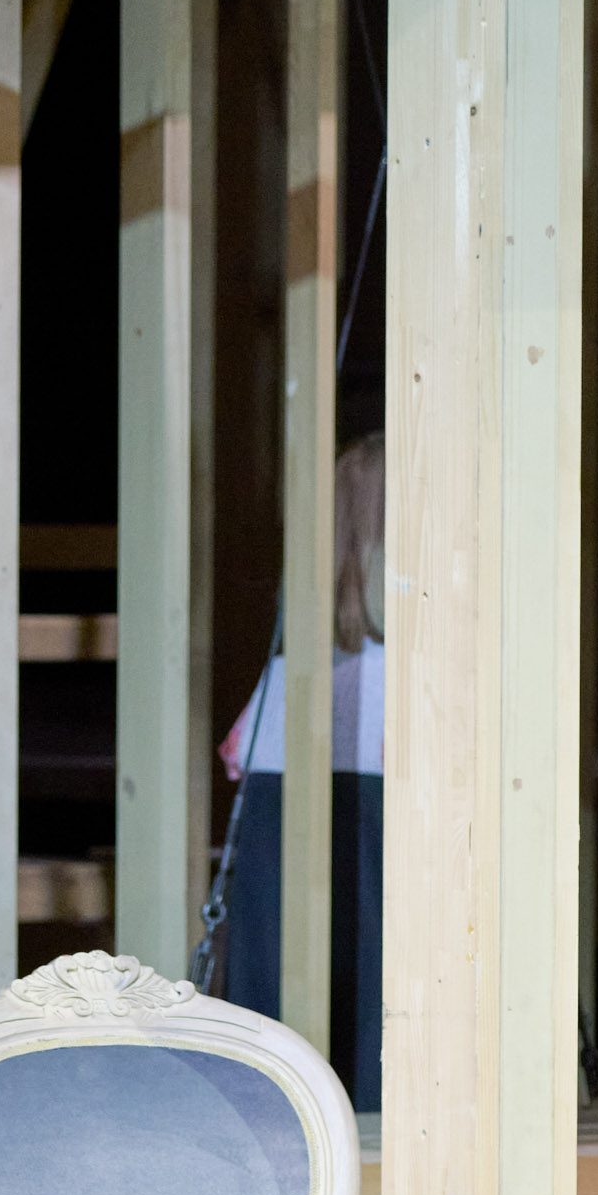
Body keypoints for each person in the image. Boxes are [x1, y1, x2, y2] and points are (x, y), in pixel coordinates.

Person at [217, 431, 385, 1108]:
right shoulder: (413, 683)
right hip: (376, 866)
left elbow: (237, 756)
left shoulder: (287, 675)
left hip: (279, 892)